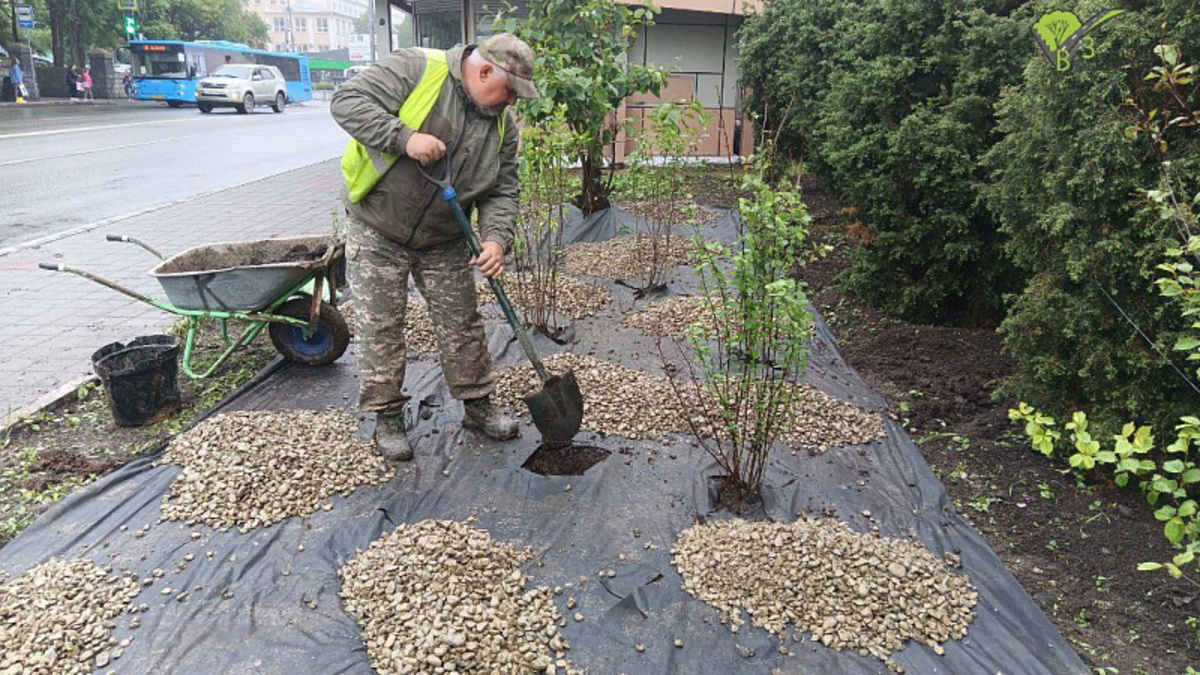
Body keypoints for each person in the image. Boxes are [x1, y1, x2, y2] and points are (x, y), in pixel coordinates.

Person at [331, 33, 537, 461]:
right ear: (484, 72)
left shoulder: (501, 125)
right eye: (510, 91)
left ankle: (477, 405)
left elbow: (503, 189)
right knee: (380, 326)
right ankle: (387, 417)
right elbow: (347, 101)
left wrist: (496, 238)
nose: (512, 102)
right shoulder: (417, 68)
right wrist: (403, 137)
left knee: (462, 322)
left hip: (444, 237)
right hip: (378, 226)